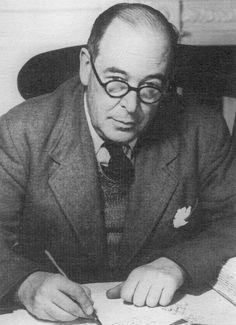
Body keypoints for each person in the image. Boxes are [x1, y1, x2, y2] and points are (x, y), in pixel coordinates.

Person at [0, 2, 236, 323]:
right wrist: (24, 283)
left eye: (150, 87)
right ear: (86, 66)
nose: (130, 106)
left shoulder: (202, 131)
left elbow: (232, 221)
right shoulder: (21, 131)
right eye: (115, 82)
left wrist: (177, 264)